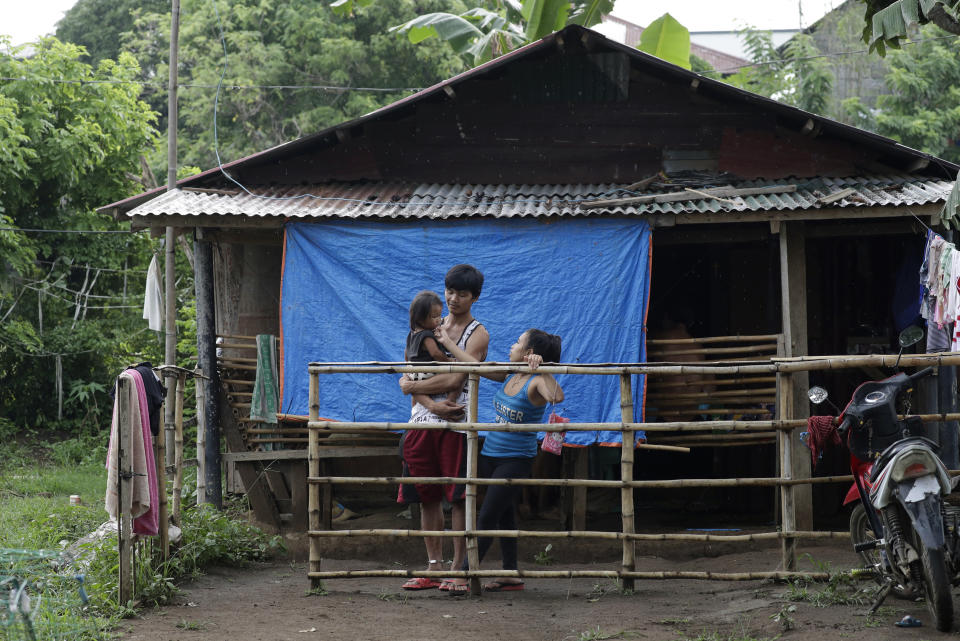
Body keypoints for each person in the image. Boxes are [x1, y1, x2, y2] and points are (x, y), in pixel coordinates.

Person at [438, 328, 564, 594]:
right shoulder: (510, 372)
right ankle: (510, 574)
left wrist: (542, 370)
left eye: (518, 342)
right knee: (505, 516)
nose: (511, 345)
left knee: (487, 517)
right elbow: (475, 364)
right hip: (491, 455)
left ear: (529, 353)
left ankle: (464, 574)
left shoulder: (535, 381)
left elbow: (556, 396)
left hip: (516, 461)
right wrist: (448, 342)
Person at [397, 265, 489, 591]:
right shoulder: (429, 322)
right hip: (423, 418)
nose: (453, 299)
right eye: (450, 291)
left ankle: (458, 569)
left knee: (459, 496)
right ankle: (433, 566)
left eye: (462, 294)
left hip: (457, 420)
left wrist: (414, 389)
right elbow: (407, 375)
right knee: (427, 495)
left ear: (474, 297)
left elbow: (456, 377)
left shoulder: (477, 334)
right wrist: (430, 402)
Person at [404, 290, 461, 405]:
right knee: (456, 377)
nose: (439, 319)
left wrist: (409, 367)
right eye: (434, 316)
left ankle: (414, 407)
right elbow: (435, 353)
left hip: (413, 372)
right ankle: (450, 401)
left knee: (416, 392)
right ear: (420, 319)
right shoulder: (427, 335)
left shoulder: (412, 334)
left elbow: (407, 353)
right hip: (426, 373)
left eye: (439, 315)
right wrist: (448, 361)